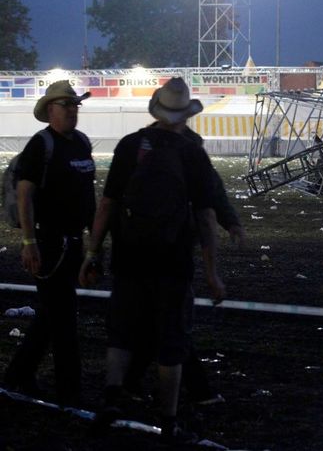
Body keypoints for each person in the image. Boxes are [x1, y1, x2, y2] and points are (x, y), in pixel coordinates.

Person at [79, 77, 225, 443]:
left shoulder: (130, 146)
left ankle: (112, 398)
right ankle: (168, 417)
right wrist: (212, 272)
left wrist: (92, 252)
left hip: (129, 257)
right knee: (171, 341)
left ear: (156, 109)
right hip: (173, 261)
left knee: (122, 333)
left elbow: (108, 204)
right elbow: (206, 216)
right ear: (185, 113)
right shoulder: (192, 151)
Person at [122, 121, 246, 406]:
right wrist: (229, 227)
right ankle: (195, 390)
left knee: (156, 320)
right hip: (170, 252)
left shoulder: (143, 144)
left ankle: (129, 383)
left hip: (143, 251)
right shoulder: (181, 149)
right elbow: (211, 194)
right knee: (172, 321)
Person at [3, 80, 95, 407]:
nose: (72, 110)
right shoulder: (41, 146)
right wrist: (29, 242)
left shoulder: (82, 143)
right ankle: (70, 392)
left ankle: (18, 375)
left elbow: (88, 195)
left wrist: (92, 246)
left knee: (50, 315)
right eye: (65, 105)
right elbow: (25, 195)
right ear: (50, 111)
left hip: (73, 243)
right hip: (48, 243)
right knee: (64, 316)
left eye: (74, 105)